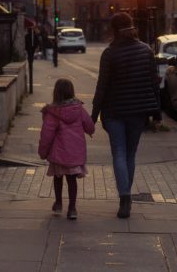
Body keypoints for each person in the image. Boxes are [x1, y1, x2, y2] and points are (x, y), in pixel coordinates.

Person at [91, 12, 160, 219]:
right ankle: (126, 196)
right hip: (138, 112)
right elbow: (153, 84)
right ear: (131, 27)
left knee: (119, 154)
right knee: (130, 154)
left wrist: (93, 115)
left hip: (114, 112)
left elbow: (102, 87)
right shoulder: (146, 51)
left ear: (113, 30)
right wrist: (157, 114)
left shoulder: (110, 54)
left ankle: (125, 197)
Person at [38, 78, 95, 220]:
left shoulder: (52, 112)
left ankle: (58, 203)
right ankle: (72, 208)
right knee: (72, 180)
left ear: (55, 93)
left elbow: (46, 134)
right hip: (74, 153)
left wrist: (43, 152)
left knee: (58, 178)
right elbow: (90, 127)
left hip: (58, 153)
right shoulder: (79, 109)